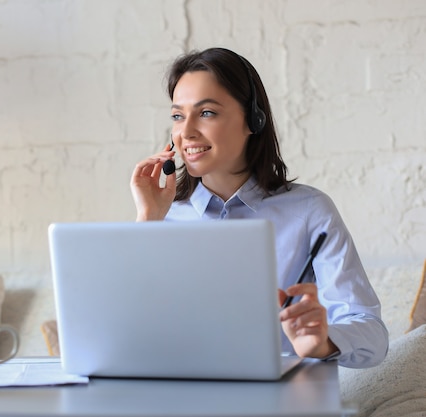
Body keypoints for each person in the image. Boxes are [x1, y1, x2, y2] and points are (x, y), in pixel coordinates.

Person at [130, 47, 388, 368]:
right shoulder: (160, 215)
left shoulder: (309, 211)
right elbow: (127, 333)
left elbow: (372, 336)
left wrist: (323, 341)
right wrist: (147, 222)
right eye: (178, 116)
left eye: (206, 113)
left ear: (254, 120)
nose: (186, 132)